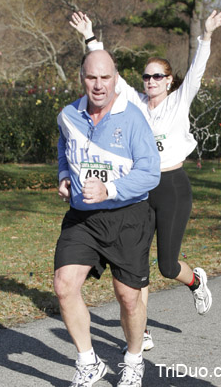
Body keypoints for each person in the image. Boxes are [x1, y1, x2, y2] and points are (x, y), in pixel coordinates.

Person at [69, 8, 221, 352]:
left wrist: (207, 35)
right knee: (135, 262)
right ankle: (141, 331)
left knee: (167, 265)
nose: (151, 82)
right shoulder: (135, 103)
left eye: (158, 77)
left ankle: (196, 280)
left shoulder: (178, 102)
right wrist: (89, 36)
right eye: (146, 76)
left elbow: (198, 73)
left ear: (169, 80)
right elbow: (109, 74)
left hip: (172, 187)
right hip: (138, 189)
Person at [54, 48, 160, 387]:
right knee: (64, 285)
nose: (98, 85)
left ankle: (132, 360)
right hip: (83, 217)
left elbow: (150, 173)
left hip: (127, 216)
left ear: (115, 79)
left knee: (128, 297)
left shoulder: (132, 118)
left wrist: (110, 189)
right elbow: (63, 149)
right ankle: (88, 362)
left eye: (105, 77)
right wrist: (63, 176)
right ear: (81, 78)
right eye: (91, 77)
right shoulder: (68, 115)